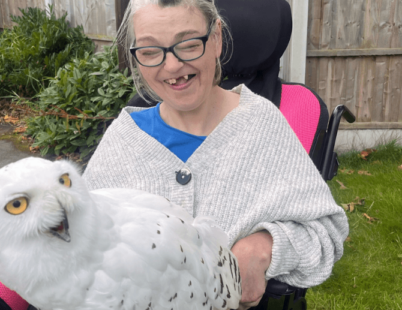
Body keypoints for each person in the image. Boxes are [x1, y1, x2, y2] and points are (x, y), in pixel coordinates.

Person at [83, 0, 349, 308]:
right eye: (150, 51)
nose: (172, 66)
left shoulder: (262, 125)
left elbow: (325, 233)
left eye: (189, 43)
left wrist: (263, 248)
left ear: (216, 38)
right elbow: (78, 238)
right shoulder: (124, 138)